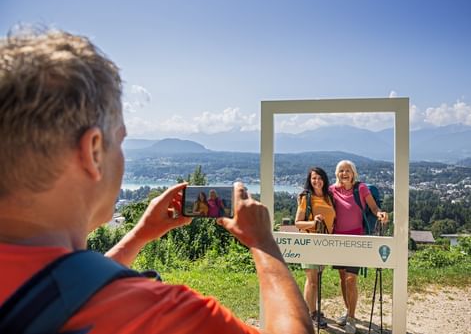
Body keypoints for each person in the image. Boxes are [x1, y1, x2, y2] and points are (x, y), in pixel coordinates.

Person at [0, 28, 312, 334]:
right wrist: (263, 243)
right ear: (94, 151)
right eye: (119, 142)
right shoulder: (161, 315)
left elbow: (61, 286)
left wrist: (139, 235)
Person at [329, 160, 388, 334]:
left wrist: (381, 214)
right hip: (337, 240)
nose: (344, 173)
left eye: (348, 170)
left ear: (353, 173)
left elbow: (374, 208)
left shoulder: (361, 188)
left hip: (356, 240)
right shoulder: (332, 190)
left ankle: (352, 319)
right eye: (341, 171)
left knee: (351, 279)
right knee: (342, 278)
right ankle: (348, 311)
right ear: (336, 173)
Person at [294, 167, 335, 329]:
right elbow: (297, 222)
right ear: (309, 181)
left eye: (319, 178)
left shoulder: (329, 197)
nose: (316, 181)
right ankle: (311, 314)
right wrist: (313, 223)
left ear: (324, 180)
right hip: (309, 243)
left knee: (316, 279)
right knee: (312, 280)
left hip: (324, 244)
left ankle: (312, 310)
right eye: (313, 179)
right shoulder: (306, 198)